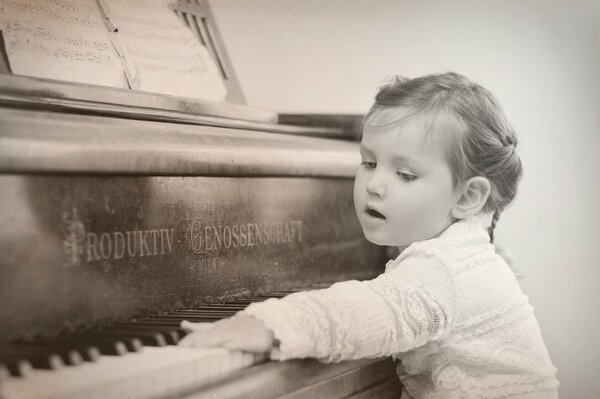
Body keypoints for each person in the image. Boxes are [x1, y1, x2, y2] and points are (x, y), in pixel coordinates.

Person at [179, 72, 559, 398]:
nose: (374, 184)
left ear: (468, 196)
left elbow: (367, 313)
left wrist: (269, 324)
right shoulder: (464, 252)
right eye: (369, 162)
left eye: (405, 175)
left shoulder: (443, 269)